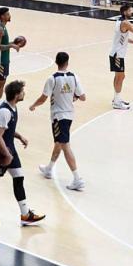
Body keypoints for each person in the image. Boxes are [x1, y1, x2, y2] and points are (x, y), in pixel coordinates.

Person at [0, 80, 45, 227]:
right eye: (22, 92)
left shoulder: (12, 108)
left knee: (19, 177)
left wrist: (19, 136)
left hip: (9, 149)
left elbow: (8, 129)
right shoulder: (4, 111)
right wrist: (6, 154)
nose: (24, 93)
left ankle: (25, 214)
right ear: (16, 95)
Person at [30, 52, 86, 191]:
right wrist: (73, 97)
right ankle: (49, 169)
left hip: (58, 117)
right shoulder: (74, 77)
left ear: (56, 62)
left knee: (65, 145)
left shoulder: (52, 79)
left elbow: (43, 98)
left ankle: (77, 178)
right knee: (59, 143)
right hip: (69, 115)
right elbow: (83, 97)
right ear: (67, 62)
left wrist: (33, 105)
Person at [0, 7, 21, 115]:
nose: (9, 16)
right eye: (7, 14)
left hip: (4, 59)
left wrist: (14, 43)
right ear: (2, 16)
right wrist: (11, 45)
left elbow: (4, 43)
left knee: (2, 83)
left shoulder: (4, 28)